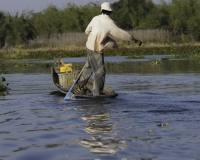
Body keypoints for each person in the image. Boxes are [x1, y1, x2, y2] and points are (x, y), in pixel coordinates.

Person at [78, 2, 142, 96]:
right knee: (100, 72)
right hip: (96, 49)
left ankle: (80, 85)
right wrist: (133, 40)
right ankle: (96, 94)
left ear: (102, 10)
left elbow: (87, 31)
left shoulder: (95, 18)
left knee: (89, 66)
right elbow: (121, 33)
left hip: (89, 46)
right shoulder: (109, 23)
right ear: (110, 12)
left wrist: (100, 36)